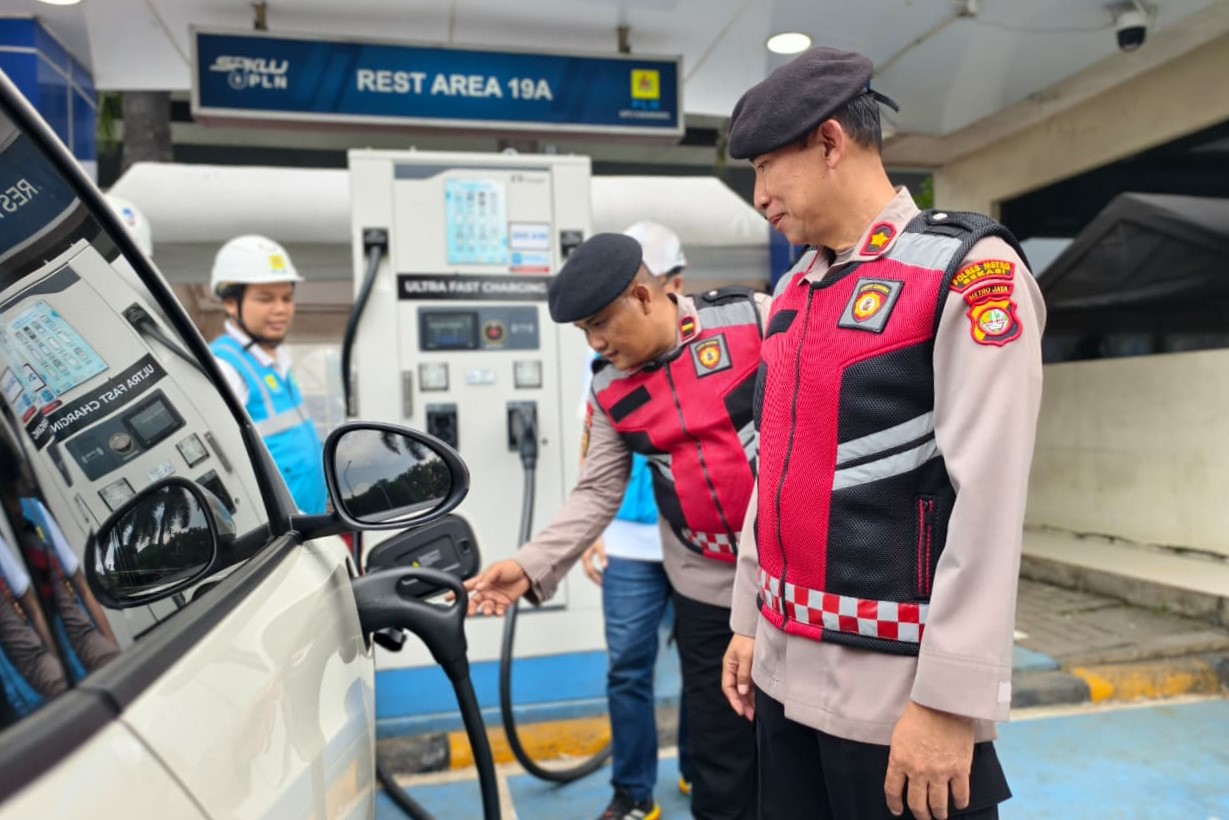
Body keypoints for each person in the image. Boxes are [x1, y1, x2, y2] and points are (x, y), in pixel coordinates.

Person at [719, 46, 1045, 820]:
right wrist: (744, 621)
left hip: (892, 701)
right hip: (779, 675)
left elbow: (988, 504)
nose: (760, 196)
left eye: (769, 167)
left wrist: (947, 704)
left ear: (830, 142)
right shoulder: (796, 288)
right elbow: (774, 473)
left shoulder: (963, 275)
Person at [466, 232, 766, 820]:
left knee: (799, 737)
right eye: (583, 332)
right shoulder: (609, 389)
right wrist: (528, 566)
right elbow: (598, 490)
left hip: (790, 574)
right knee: (721, 751)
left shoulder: (752, 321)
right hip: (707, 586)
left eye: (602, 322)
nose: (596, 342)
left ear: (645, 296)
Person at [577, 221, 694, 809]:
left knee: (709, 664)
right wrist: (592, 532)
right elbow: (590, 441)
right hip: (628, 542)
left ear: (669, 286)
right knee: (627, 668)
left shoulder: (711, 347)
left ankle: (702, 768)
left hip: (698, 540)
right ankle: (633, 793)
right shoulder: (605, 362)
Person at [208, 235, 327, 515]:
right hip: (280, 535)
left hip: (309, 520)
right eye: (265, 299)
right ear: (230, 303)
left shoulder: (277, 358)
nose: (281, 309)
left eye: (287, 298)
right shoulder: (226, 368)